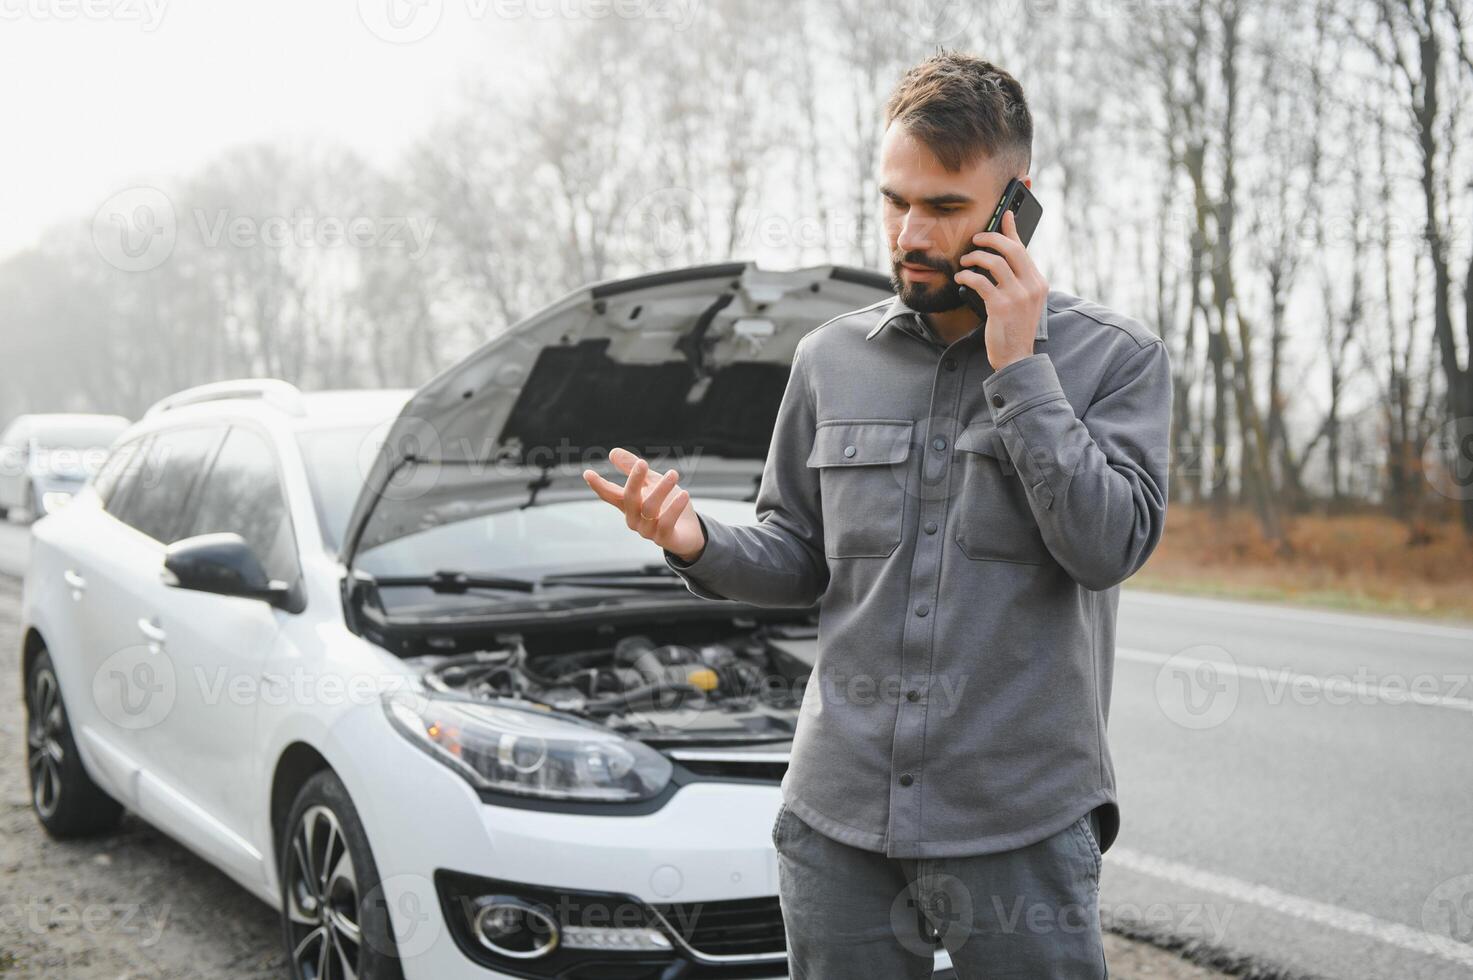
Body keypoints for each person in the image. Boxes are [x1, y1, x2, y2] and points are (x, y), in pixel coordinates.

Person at [582, 50, 1172, 980]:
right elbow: (799, 554)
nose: (908, 232)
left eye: (943, 208)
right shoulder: (827, 359)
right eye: (894, 201)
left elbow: (1107, 547)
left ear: (1014, 205)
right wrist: (693, 540)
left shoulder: (1115, 360)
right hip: (837, 820)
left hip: (1017, 824)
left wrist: (1021, 369)